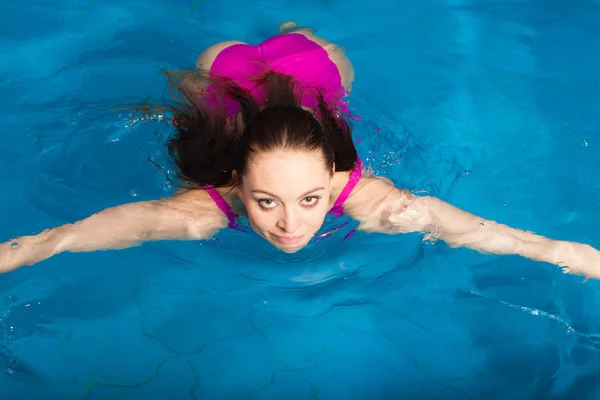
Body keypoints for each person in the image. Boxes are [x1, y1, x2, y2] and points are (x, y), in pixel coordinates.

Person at [1, 22, 599, 280]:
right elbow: (57, 239)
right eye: (265, 201)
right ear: (236, 179)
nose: (292, 225)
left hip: (313, 75)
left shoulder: (375, 201)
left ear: (334, 175)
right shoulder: (197, 212)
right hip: (226, 80)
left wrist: (582, 257)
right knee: (212, 63)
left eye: (312, 199)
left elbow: (515, 239)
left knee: (307, 39)